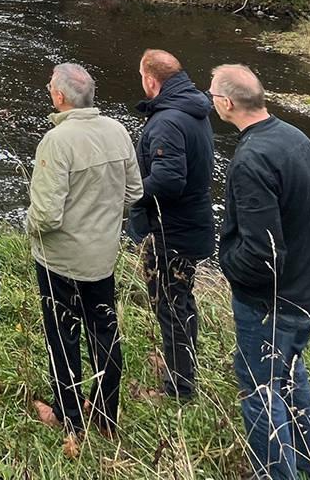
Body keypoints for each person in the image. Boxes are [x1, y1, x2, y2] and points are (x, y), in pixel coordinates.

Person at [209, 64, 310, 480]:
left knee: (261, 394)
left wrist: (227, 265)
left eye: (212, 95)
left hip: (271, 306)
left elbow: (263, 253)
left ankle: (275, 474)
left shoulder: (251, 158)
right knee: (291, 382)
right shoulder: (295, 137)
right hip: (309, 292)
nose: (211, 101)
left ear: (227, 103)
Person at [26, 63, 142, 454]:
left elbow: (45, 215)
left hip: (60, 259)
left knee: (63, 335)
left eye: (50, 87)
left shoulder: (57, 141)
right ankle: (107, 417)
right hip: (103, 257)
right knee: (105, 333)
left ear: (59, 97)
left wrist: (27, 227)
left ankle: (68, 415)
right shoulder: (118, 131)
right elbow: (134, 193)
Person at [128, 49, 216, 400]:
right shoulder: (192, 109)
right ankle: (179, 365)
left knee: (171, 306)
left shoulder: (167, 120)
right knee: (178, 301)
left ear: (151, 81)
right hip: (188, 224)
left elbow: (168, 179)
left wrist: (129, 192)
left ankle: (178, 389)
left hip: (173, 231)